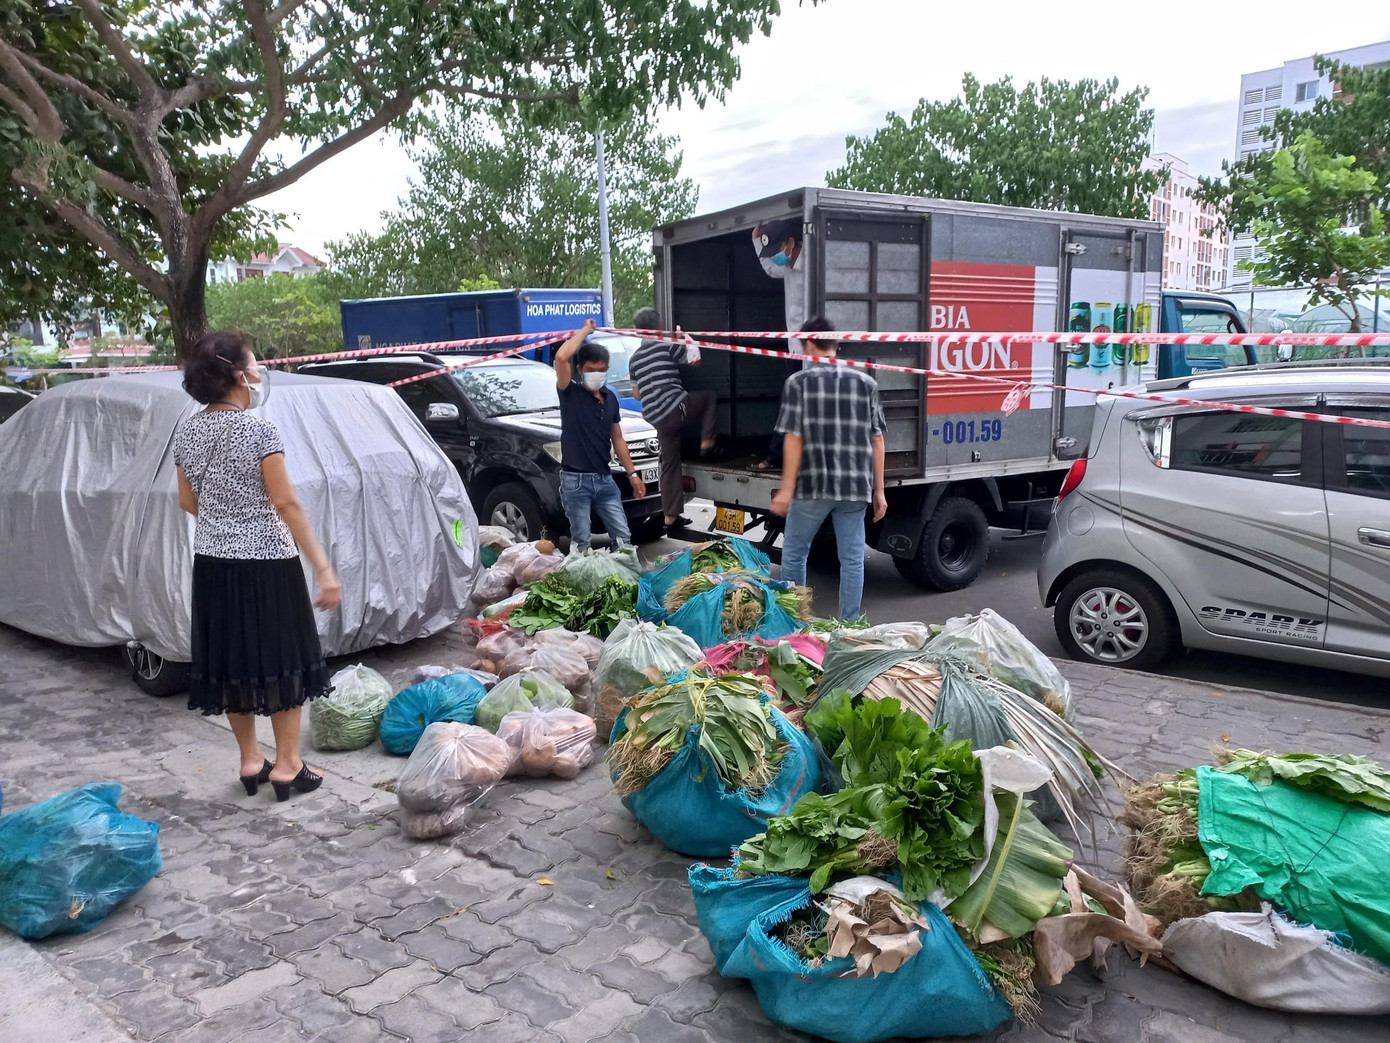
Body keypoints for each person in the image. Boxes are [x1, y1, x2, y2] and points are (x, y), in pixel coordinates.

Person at [173, 330, 342, 803]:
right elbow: (286, 502)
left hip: (212, 563)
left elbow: (189, 501)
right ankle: (288, 766)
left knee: (232, 662)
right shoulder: (258, 430)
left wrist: (226, 519)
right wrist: (324, 569)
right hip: (267, 561)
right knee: (281, 660)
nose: (259, 372)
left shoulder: (186, 431)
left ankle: (251, 760)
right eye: (254, 364)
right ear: (237, 375)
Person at [770, 317, 888, 622]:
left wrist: (785, 489)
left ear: (809, 343)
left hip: (813, 486)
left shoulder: (798, 384)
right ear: (835, 344)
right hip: (854, 488)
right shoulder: (866, 383)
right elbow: (877, 441)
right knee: (852, 560)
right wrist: (880, 491)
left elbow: (793, 440)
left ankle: (795, 625)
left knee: (795, 553)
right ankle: (848, 627)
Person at [553, 318, 647, 550]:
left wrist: (633, 474)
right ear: (580, 370)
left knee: (623, 539)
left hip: (605, 479)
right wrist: (585, 330)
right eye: (591, 370)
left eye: (602, 370)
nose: (598, 374)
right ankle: (582, 582)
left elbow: (618, 439)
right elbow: (561, 358)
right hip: (576, 481)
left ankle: (626, 580)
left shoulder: (610, 398)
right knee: (582, 542)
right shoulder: (570, 394)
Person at [629, 307, 715, 532]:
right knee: (708, 398)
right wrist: (686, 342)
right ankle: (707, 442)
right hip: (677, 409)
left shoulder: (634, 359)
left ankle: (670, 517)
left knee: (669, 466)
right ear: (659, 327)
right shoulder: (666, 345)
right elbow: (694, 361)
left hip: (657, 419)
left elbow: (637, 394)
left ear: (638, 331)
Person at [752, 219, 808, 471]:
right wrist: (756, 240)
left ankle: (788, 459)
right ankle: (777, 457)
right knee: (788, 405)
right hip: (794, 351)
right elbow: (768, 268)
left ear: (791, 243)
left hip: (814, 354)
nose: (775, 257)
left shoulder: (814, 267)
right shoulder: (786, 267)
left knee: (802, 408)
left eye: (777, 251)